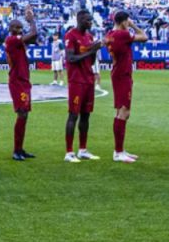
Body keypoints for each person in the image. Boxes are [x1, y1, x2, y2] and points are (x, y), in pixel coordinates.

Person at [104, 12, 148, 164]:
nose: (129, 23)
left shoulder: (110, 34)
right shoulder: (123, 34)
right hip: (123, 74)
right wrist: (133, 25)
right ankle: (118, 152)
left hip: (118, 72)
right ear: (123, 22)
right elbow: (144, 36)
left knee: (121, 112)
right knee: (124, 112)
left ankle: (120, 150)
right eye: (127, 21)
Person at [63, 10, 102, 163]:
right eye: (88, 20)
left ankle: (83, 149)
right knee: (73, 114)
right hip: (76, 80)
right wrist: (91, 50)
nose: (90, 22)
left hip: (88, 79)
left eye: (91, 20)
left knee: (86, 115)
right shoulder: (70, 36)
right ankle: (69, 152)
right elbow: (71, 58)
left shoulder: (89, 36)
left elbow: (90, 62)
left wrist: (94, 51)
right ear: (80, 20)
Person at [5, 8, 38, 161]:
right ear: (10, 29)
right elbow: (33, 34)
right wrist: (31, 20)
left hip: (23, 81)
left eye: (20, 27)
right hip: (17, 81)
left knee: (24, 115)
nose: (19, 30)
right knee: (22, 113)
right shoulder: (11, 40)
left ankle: (20, 148)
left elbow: (32, 37)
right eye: (16, 27)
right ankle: (16, 150)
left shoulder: (17, 41)